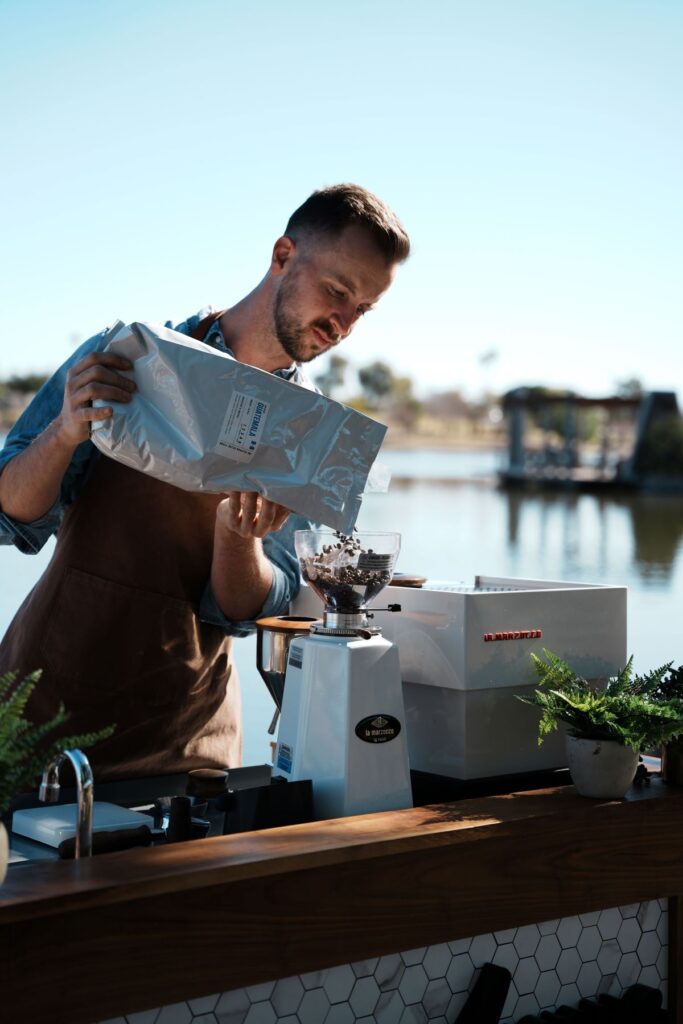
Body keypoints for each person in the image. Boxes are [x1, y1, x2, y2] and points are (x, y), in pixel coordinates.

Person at [0, 183, 410, 780]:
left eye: (363, 309)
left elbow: (247, 610)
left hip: (188, 742)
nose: (343, 324)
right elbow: (11, 516)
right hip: (44, 719)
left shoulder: (317, 441)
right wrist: (64, 432)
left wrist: (237, 535)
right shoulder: (131, 357)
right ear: (282, 255)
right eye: (337, 292)